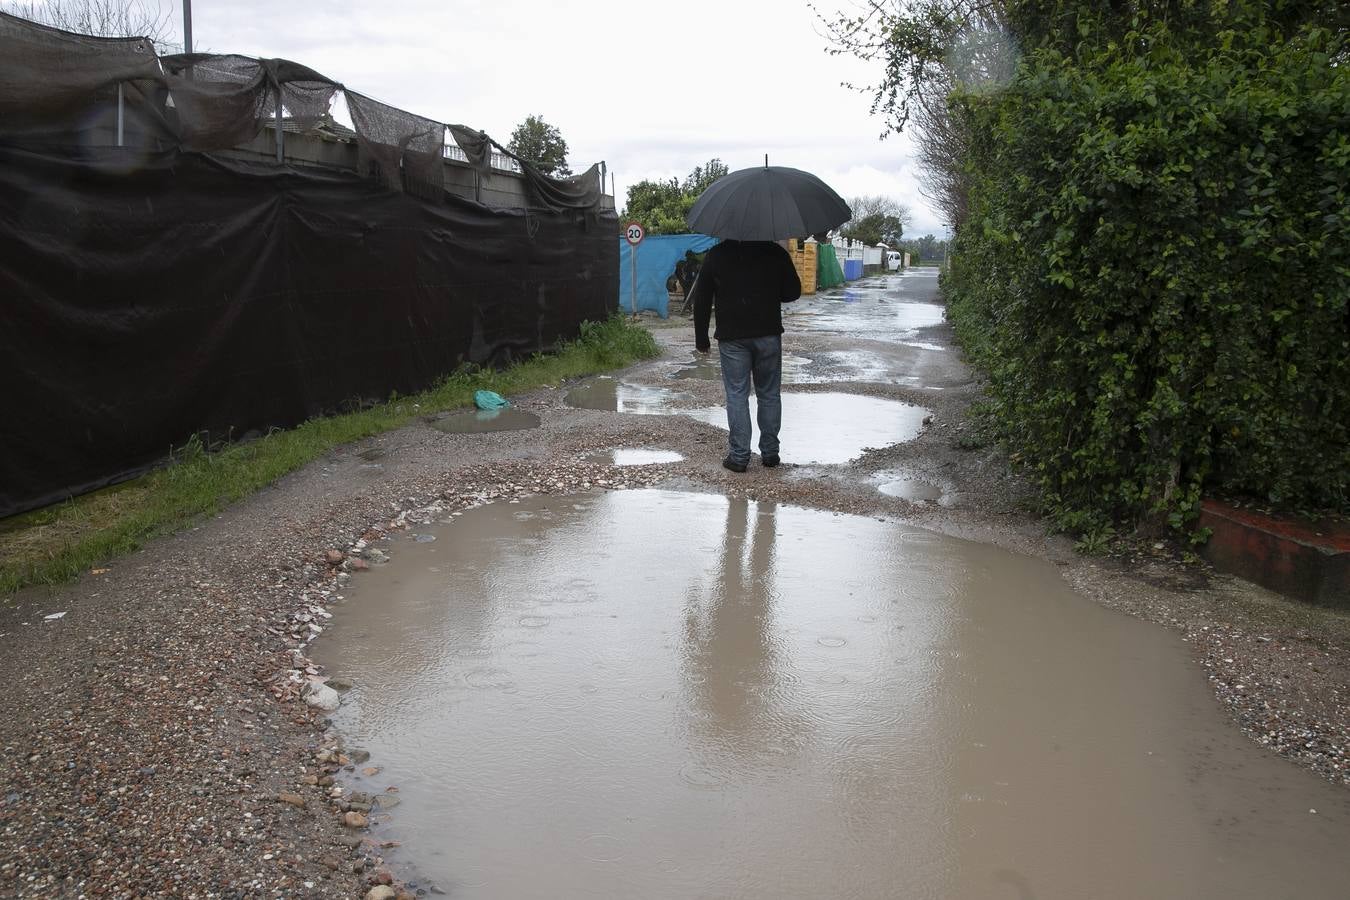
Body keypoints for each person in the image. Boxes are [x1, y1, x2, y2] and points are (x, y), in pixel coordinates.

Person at [691, 240, 802, 472]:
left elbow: (701, 298)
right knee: (769, 394)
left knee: (737, 394)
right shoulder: (775, 252)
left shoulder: (717, 254)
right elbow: (793, 292)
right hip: (768, 335)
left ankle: (739, 457)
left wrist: (701, 338)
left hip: (732, 338)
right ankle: (770, 453)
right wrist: (769, 288)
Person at [677, 250, 702, 314]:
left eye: (689, 256)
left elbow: (698, 271)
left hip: (694, 281)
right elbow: (681, 272)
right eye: (687, 256)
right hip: (687, 280)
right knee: (687, 294)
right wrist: (682, 280)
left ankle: (692, 308)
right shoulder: (685, 263)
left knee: (693, 295)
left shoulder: (696, 262)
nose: (688, 257)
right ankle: (688, 307)